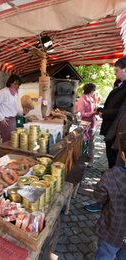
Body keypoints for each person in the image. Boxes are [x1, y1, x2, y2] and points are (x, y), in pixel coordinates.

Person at [84, 56, 126, 212]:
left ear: (125, 69)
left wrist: (105, 113)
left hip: (118, 135)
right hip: (114, 133)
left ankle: (106, 202)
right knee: (112, 165)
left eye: (117, 70)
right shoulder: (120, 85)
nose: (115, 73)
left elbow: (120, 111)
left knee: (115, 168)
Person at [93, 131, 126, 260]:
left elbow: (99, 197)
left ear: (122, 155)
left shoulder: (110, 176)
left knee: (105, 256)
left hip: (112, 229)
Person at [0, 74, 30, 142]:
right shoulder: (4, 92)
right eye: (15, 84)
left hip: (13, 121)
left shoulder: (14, 94)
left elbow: (15, 109)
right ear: (10, 83)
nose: (17, 86)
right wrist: (1, 118)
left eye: (18, 84)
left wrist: (23, 113)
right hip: (6, 121)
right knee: (7, 143)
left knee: (12, 142)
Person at [75, 83, 97, 166]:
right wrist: (94, 112)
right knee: (85, 142)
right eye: (94, 90)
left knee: (91, 142)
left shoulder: (90, 98)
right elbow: (80, 113)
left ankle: (90, 159)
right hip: (85, 124)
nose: (94, 92)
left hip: (92, 123)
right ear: (91, 90)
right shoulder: (82, 100)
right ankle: (81, 159)